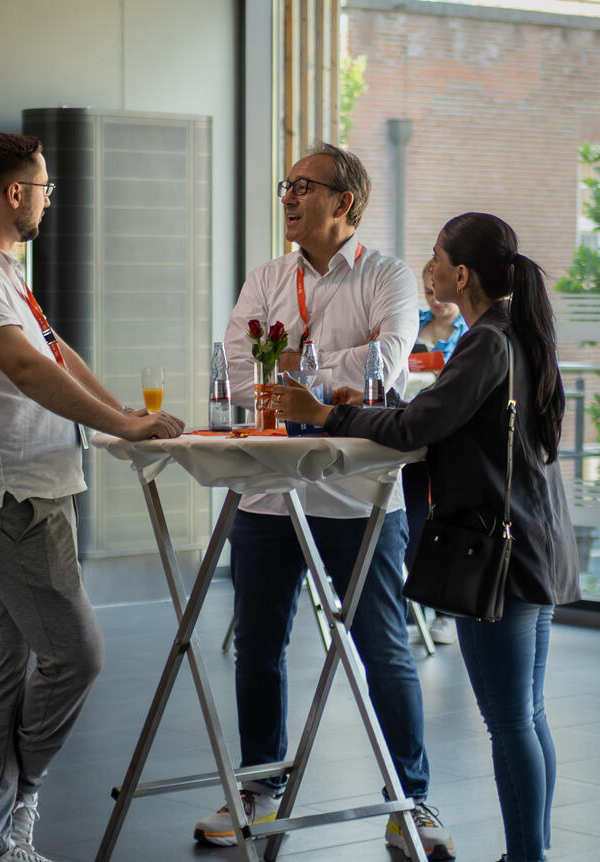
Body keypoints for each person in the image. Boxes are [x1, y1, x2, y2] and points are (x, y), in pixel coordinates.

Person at [273, 212, 581, 862]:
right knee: (526, 714)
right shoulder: (511, 331)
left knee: (509, 719)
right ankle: (532, 852)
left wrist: (326, 413)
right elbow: (435, 415)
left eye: (437, 259)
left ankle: (526, 857)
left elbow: (422, 427)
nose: (430, 268)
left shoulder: (488, 339)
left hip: (499, 552)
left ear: (459, 273)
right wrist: (376, 408)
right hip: (535, 542)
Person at [0, 132, 184, 862]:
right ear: (13, 194)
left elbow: (55, 352)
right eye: (43, 189)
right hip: (8, 502)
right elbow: (26, 373)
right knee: (77, 656)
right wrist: (122, 424)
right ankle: (19, 794)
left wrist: (122, 420)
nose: (47, 201)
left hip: (21, 492)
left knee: (15, 663)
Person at [193, 143, 455, 861]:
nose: (286, 196)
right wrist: (319, 382)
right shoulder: (266, 278)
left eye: (301, 186)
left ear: (342, 201)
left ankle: (409, 801)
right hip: (267, 496)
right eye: (285, 185)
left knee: (384, 650)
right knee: (257, 648)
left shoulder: (387, 276)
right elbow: (240, 373)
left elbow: (386, 366)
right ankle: (256, 787)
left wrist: (298, 375)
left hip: (358, 499)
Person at [405, 260, 468, 646]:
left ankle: (448, 612)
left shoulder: (473, 333)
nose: (436, 299)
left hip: (449, 436)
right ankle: (420, 607)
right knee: (412, 523)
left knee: (446, 522)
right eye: (429, 292)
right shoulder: (412, 323)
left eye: (439, 289)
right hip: (411, 431)